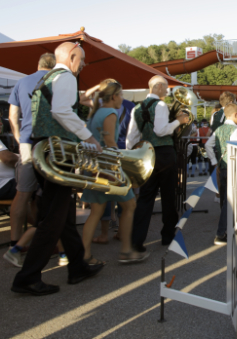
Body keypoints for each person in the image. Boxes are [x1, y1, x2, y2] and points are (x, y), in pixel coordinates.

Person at [12, 42, 104, 296]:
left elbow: (54, 111)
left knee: (62, 214)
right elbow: (61, 111)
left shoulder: (48, 78)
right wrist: (88, 137)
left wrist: (82, 104)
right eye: (82, 59)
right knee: (53, 218)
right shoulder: (65, 77)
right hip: (57, 152)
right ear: (72, 56)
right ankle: (27, 277)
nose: (83, 64)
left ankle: (77, 267)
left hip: (45, 149)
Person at [80, 79, 145, 264]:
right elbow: (110, 144)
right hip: (108, 168)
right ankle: (125, 251)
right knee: (130, 205)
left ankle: (84, 254)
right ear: (114, 96)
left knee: (96, 212)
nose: (122, 99)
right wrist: (122, 170)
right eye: (121, 95)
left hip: (96, 168)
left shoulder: (96, 112)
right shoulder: (110, 112)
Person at [127, 75, 189, 256]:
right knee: (168, 196)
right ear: (159, 87)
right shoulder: (160, 105)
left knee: (145, 198)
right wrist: (179, 121)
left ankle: (136, 241)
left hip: (145, 154)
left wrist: (133, 156)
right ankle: (167, 235)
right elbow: (161, 130)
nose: (168, 91)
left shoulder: (137, 108)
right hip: (164, 154)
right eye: (166, 87)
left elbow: (131, 138)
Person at [7, 53, 55, 250]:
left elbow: (12, 115)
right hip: (50, 143)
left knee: (23, 193)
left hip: (27, 141)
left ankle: (15, 241)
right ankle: (49, 240)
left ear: (38, 64)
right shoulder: (57, 82)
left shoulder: (21, 82)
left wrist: (19, 138)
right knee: (51, 195)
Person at [205, 103, 237, 245]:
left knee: (224, 200)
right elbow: (234, 150)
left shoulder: (218, 129)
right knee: (228, 202)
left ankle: (227, 229)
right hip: (232, 169)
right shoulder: (234, 130)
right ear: (235, 115)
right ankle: (221, 233)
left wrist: (214, 161)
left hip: (221, 168)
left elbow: (207, 145)